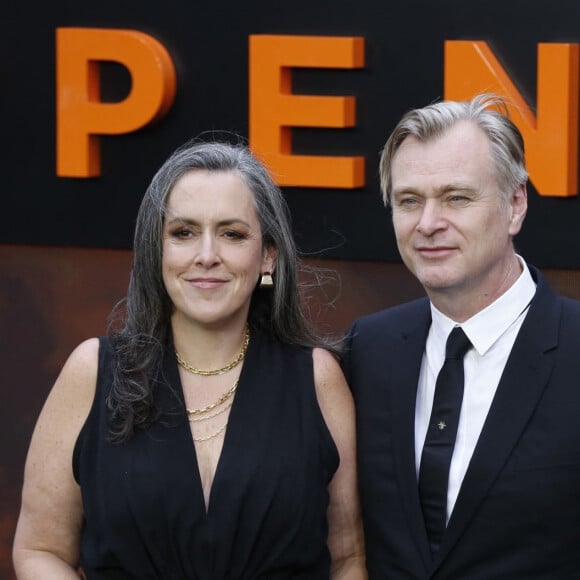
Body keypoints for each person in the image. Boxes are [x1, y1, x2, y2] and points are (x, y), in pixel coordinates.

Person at [13, 139, 366, 579]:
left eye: (232, 234)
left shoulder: (317, 379)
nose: (206, 255)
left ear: (268, 257)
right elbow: (40, 550)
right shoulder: (93, 371)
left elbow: (348, 561)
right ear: (156, 251)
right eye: (183, 233)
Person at [342, 93, 580, 578]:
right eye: (410, 201)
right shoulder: (368, 348)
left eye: (457, 197)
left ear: (515, 205)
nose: (429, 224)